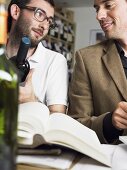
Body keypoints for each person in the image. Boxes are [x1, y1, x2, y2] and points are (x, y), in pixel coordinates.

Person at [68, 0, 127, 144]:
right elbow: (76, 123)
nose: (99, 15)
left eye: (108, 5)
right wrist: (109, 123)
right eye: (97, 9)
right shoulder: (86, 58)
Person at [6, 0, 68, 113]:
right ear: (16, 11)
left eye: (49, 21)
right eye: (39, 14)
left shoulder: (55, 61)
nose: (44, 26)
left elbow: (58, 118)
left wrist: (32, 101)